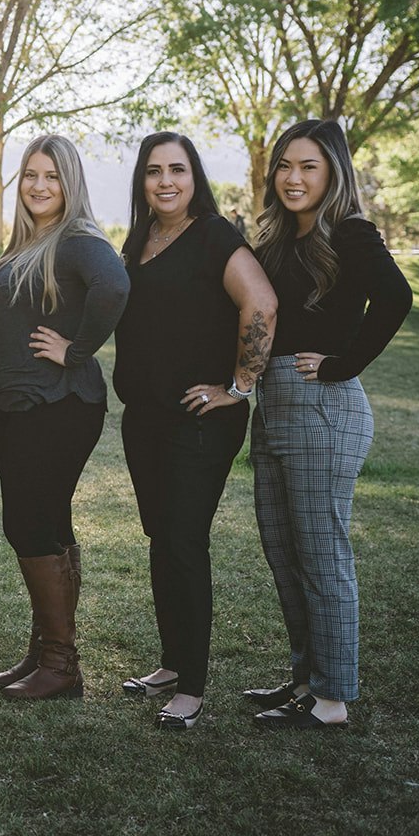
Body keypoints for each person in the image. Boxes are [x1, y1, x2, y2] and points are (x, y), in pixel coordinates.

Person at [246, 119, 411, 729]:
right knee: (283, 551)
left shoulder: (350, 232)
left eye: (308, 166)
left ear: (333, 172)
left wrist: (344, 365)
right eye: (285, 166)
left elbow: (396, 298)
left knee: (321, 555)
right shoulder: (281, 236)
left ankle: (333, 700)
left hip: (322, 409)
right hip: (274, 408)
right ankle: (305, 683)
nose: (293, 178)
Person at [114, 131, 277, 731]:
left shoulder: (214, 236)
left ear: (195, 177)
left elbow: (260, 303)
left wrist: (238, 386)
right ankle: (171, 664)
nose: (165, 181)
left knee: (183, 541)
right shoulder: (141, 238)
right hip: (145, 416)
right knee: (162, 538)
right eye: (154, 171)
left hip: (201, 420)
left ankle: (194, 688)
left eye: (177, 170)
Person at [0, 135, 129, 701]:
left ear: (71, 184)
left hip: (60, 404)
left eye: (52, 177)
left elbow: (113, 287)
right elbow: (12, 333)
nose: (39, 186)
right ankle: (47, 653)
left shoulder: (77, 238)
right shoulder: (28, 243)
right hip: (21, 406)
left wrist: (77, 349)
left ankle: (61, 665)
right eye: (30, 175)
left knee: (31, 524)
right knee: (46, 523)